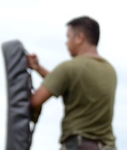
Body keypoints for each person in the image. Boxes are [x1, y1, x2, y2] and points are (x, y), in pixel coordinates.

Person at [27, 17, 116, 150]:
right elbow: (69, 82)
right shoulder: (110, 70)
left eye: (68, 37)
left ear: (80, 37)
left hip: (79, 145)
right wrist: (38, 68)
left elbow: (35, 101)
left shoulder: (69, 68)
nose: (66, 43)